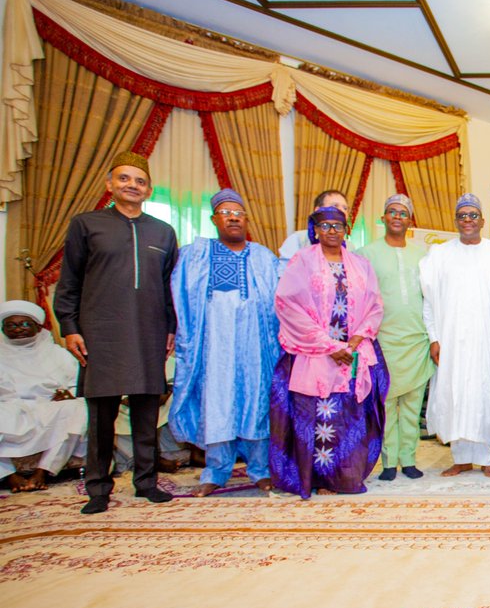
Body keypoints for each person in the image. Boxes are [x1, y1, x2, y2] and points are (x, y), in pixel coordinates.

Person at [54, 151, 178, 514]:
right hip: (101, 334)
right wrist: (69, 327)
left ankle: (146, 482)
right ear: (110, 184)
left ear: (149, 190)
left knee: (146, 414)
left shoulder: (163, 232)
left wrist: (170, 328)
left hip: (149, 332)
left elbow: (169, 286)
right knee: (101, 416)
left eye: (139, 181)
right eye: (124, 179)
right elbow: (70, 281)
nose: (132, 186)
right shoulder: (86, 224)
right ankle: (98, 488)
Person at [169, 188, 282, 496]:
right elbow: (179, 298)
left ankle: (260, 469)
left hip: (255, 344)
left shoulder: (263, 256)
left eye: (238, 214)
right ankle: (215, 471)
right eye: (226, 214)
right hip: (214, 343)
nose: (233, 219)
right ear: (214, 219)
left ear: (246, 220)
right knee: (217, 403)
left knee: (256, 401)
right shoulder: (196, 255)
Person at [269, 206, 388, 498]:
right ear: (316, 230)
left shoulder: (361, 265)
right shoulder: (302, 262)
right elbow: (288, 305)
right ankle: (315, 479)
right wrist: (328, 346)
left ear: (346, 230)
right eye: (325, 225)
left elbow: (374, 306)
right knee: (317, 418)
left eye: (338, 225)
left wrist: (356, 340)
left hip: (353, 353)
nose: (332, 231)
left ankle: (343, 477)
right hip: (315, 354)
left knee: (349, 418)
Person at [420, 193, 490, 477]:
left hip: (488, 339)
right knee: (455, 393)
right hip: (452, 339)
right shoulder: (439, 254)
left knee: (486, 393)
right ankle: (460, 458)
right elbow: (429, 301)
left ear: (482, 220)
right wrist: (434, 337)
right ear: (456, 221)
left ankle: (486, 458)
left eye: (473, 215)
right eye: (462, 216)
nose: (468, 220)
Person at [359, 193, 432, 480]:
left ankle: (409, 459)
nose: (397, 217)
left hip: (417, 340)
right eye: (392, 211)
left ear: (410, 220)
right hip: (383, 342)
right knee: (387, 405)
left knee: (413, 406)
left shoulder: (423, 256)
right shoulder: (366, 254)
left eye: (403, 213)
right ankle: (389, 463)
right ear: (383, 218)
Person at [0, 300, 87, 491]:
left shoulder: (58, 354)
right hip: (8, 406)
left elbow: (76, 383)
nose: (18, 329)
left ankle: (43, 471)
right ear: (3, 328)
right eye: (11, 325)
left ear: (38, 328)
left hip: (49, 406)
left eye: (24, 324)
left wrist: (69, 394)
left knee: (79, 408)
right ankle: (7, 475)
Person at [277, 190, 357, 261]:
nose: (341, 211)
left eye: (345, 208)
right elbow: (285, 274)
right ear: (318, 210)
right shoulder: (298, 240)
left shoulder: (349, 247)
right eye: (335, 206)